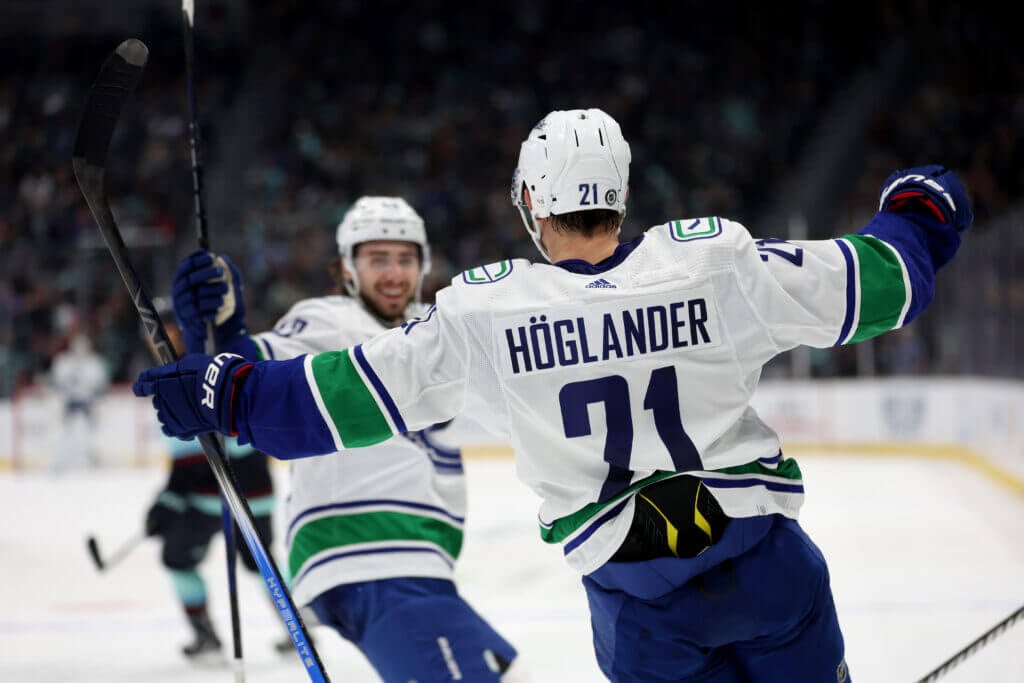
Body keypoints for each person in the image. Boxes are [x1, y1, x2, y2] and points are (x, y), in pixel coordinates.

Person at [135, 109, 973, 681]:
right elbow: (885, 283)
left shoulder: (486, 311)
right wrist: (920, 209)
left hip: (640, 611)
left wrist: (223, 389)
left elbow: (337, 399)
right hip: (771, 572)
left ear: (532, 203)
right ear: (621, 194)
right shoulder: (711, 259)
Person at [169, 197, 524, 681]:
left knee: (503, 671)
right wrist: (217, 332)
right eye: (377, 259)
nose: (394, 273)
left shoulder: (440, 326)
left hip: (420, 562)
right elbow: (249, 374)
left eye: (405, 259)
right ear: (347, 268)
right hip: (363, 554)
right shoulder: (326, 320)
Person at [141, 300, 279, 663]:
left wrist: (167, 502)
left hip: (229, 492)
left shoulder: (194, 372)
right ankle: (297, 627)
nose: (156, 339)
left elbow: (196, 462)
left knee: (186, 557)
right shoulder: (192, 368)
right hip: (246, 490)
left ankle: (214, 637)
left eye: (163, 330)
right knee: (259, 563)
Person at [49, 332, 109, 469]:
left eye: (83, 346)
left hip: (87, 402)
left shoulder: (94, 363)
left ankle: (92, 458)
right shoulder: (64, 361)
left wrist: (95, 393)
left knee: (91, 431)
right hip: (69, 401)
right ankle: (60, 460)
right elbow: (56, 381)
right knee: (65, 431)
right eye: (77, 346)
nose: (80, 349)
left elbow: (100, 383)